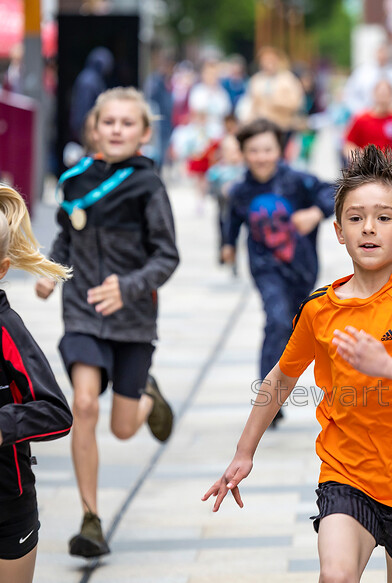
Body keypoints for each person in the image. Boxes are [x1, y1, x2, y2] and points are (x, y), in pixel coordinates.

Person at [204, 145, 392, 583]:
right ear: (338, 231)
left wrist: (388, 367)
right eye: (355, 218)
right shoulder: (319, 309)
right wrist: (244, 451)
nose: (369, 228)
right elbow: (280, 378)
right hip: (346, 474)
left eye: (384, 217)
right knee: (336, 576)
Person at [36, 87, 179, 558]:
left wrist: (129, 287)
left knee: (121, 427)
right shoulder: (76, 179)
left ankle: (147, 397)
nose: (116, 129)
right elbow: (65, 234)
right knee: (84, 405)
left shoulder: (148, 186)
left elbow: (167, 255)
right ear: (94, 128)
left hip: (133, 320)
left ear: (143, 132)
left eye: (127, 123)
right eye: (109, 122)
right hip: (81, 313)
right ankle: (90, 519)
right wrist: (50, 272)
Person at [221, 118, 335, 426]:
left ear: (280, 150)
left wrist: (315, 213)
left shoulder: (297, 181)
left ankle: (281, 390)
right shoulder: (241, 190)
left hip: (302, 267)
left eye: (268, 149)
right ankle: (268, 402)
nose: (261, 156)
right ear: (243, 153)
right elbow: (230, 219)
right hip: (265, 268)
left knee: (293, 329)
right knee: (277, 320)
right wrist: (227, 245)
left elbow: (332, 192)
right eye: (253, 150)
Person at [0, 184, 73, 583]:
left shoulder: (6, 329)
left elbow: (57, 412)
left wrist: (3, 426)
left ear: (2, 269)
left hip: (7, 505)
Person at [243, 48, 305, 157]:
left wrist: (275, 102)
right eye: (265, 60)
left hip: (282, 127)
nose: (268, 63)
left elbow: (296, 102)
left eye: (271, 60)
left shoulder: (287, 79)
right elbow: (252, 104)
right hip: (262, 128)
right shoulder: (256, 80)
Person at [345, 80, 392, 159]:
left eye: (387, 94)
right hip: (367, 166)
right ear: (374, 94)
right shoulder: (361, 119)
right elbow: (348, 144)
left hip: (388, 166)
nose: (383, 97)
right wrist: (359, 158)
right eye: (381, 93)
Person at [207, 134, 245, 270]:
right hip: (223, 209)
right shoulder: (217, 171)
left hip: (239, 210)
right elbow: (211, 190)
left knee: (236, 234)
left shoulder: (244, 170)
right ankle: (223, 251)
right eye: (229, 151)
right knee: (223, 231)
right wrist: (221, 191)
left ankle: (233, 258)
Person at [343, 44, 392, 116]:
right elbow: (350, 95)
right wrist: (364, 112)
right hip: (365, 115)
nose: (382, 55)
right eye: (380, 52)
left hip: (391, 116)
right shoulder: (362, 72)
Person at [69, 47, 114, 144]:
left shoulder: (93, 78)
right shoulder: (89, 80)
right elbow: (84, 106)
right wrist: (82, 126)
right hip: (85, 126)